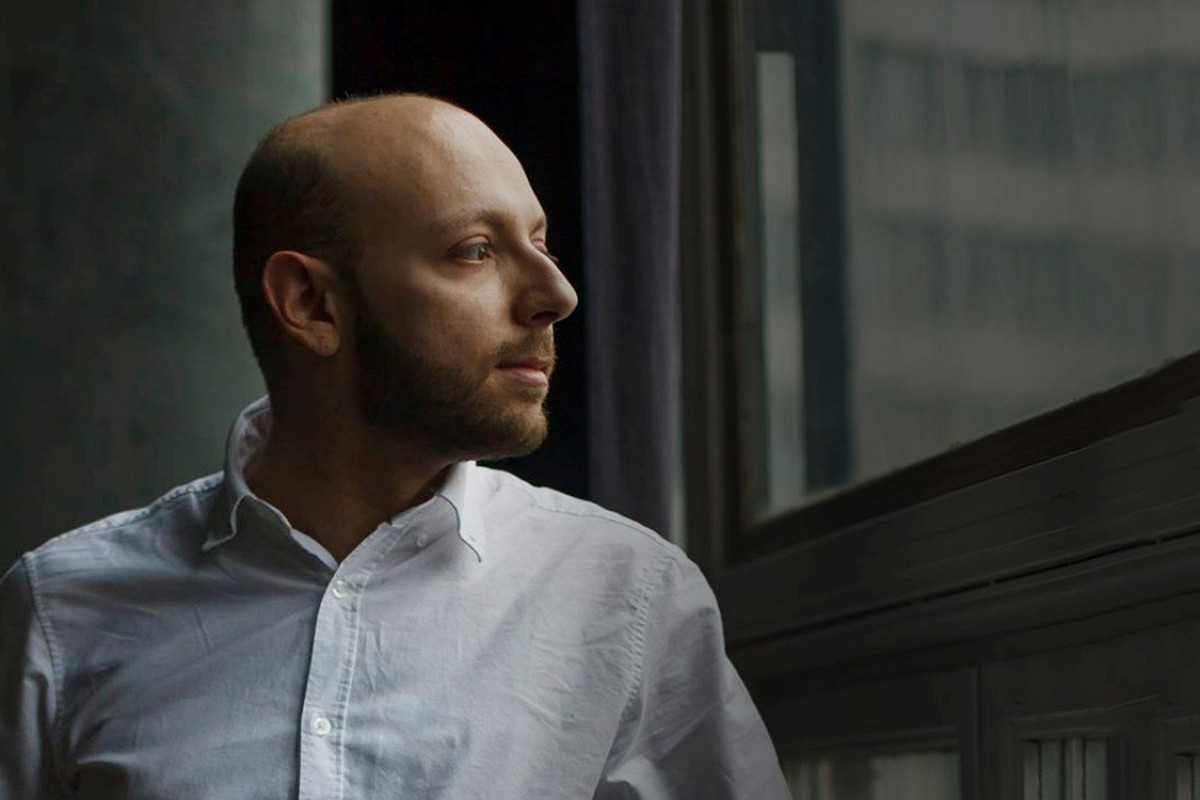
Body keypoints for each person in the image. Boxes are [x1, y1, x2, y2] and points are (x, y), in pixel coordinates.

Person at [0, 94, 791, 799]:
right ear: (311, 302)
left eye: (541, 244)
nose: (556, 294)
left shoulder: (632, 596)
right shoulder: (61, 612)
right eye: (475, 250)